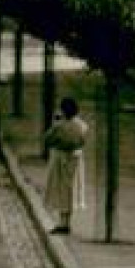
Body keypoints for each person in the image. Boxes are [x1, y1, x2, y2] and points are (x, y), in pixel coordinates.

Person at [44, 97, 89, 235]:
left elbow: (47, 139)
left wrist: (55, 123)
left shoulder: (59, 126)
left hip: (60, 158)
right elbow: (82, 141)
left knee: (60, 189)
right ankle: (66, 221)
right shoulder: (81, 125)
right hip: (75, 159)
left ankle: (63, 223)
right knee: (70, 189)